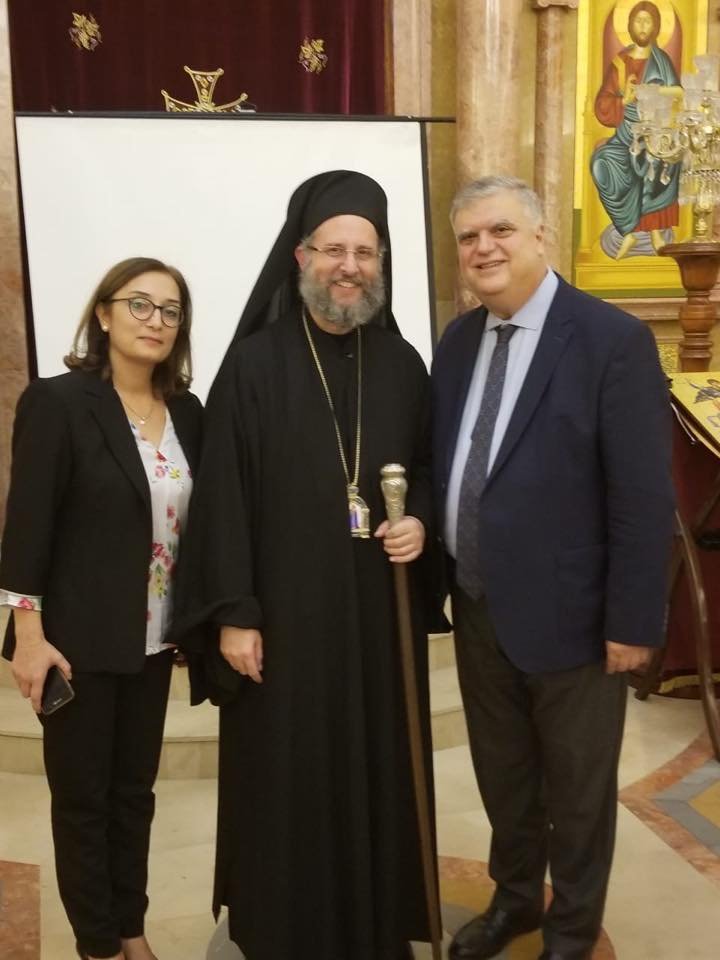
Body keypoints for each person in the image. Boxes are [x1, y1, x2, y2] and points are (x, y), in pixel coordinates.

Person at [173, 170, 435, 960]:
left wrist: (418, 520)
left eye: (365, 252)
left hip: (377, 618)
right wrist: (233, 612)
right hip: (281, 622)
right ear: (301, 257)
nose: (348, 267)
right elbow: (222, 496)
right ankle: (283, 931)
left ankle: (375, 926)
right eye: (333, 250)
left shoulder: (404, 366)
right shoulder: (255, 365)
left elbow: (428, 469)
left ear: (381, 262)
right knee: (286, 775)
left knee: (380, 765)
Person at [432, 176, 673, 960]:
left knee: (576, 792)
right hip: (479, 607)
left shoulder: (610, 340)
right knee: (505, 779)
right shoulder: (458, 343)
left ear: (541, 236)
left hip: (577, 618)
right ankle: (515, 902)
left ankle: (570, 931)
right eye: (469, 237)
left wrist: (633, 623)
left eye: (500, 230)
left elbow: (642, 497)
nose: (484, 248)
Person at [0, 257, 203, 960]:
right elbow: (27, 527)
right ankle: (99, 945)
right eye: (140, 304)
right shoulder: (58, 403)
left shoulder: (188, 413)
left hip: (154, 640)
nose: (156, 321)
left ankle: (131, 929)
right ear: (105, 314)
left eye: (170, 310)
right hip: (77, 642)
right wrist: (29, 637)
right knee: (84, 802)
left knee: (134, 795)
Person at [591, 1, 681, 259]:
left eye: (647, 21)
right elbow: (602, 103)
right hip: (626, 135)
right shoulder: (620, 63)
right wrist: (625, 100)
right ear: (629, 25)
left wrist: (652, 91)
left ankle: (655, 232)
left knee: (659, 159)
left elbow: (678, 92)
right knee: (600, 163)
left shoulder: (661, 60)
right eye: (638, 21)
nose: (642, 26)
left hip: (657, 132)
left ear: (656, 26)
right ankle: (628, 230)